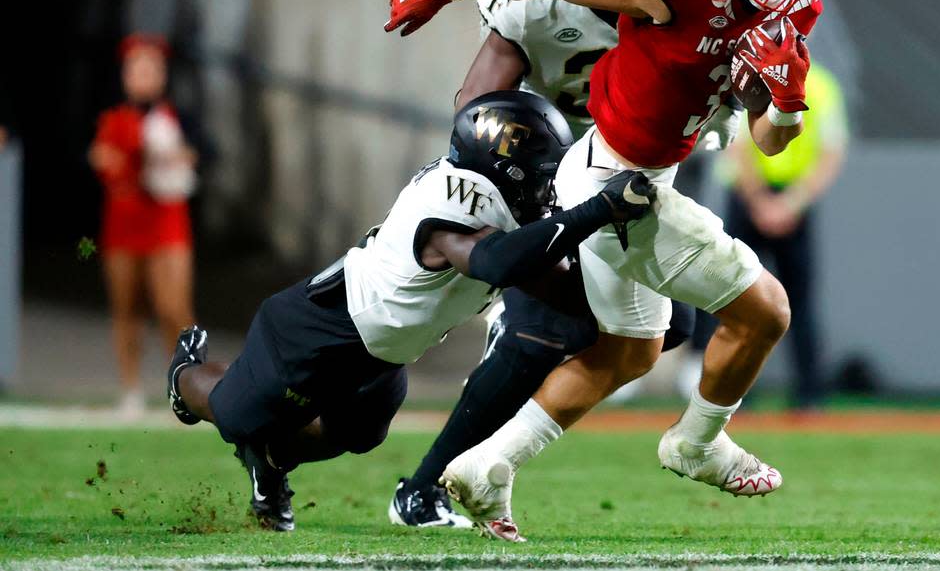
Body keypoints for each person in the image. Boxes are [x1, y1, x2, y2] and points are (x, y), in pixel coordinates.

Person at [386, 0, 831, 540]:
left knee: (631, 349)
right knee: (764, 309)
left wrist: (789, 100)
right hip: (605, 180)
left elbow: (771, 140)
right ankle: (698, 441)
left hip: (634, 173)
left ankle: (487, 468)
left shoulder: (791, 5)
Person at [166, 91, 656, 532]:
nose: (547, 187)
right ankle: (185, 378)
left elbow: (555, 286)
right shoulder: (457, 197)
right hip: (318, 329)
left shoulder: (499, 205)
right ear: (507, 167)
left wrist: (644, 298)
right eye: (541, 173)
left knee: (357, 434)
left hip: (382, 352)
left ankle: (270, 462)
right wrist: (595, 212)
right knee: (237, 416)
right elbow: (496, 261)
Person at [680, 62, 849, 410]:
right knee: (744, 299)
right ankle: (762, 395)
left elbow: (830, 153)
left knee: (758, 299)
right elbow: (741, 148)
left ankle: (790, 396)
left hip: (773, 201)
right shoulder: (806, 83)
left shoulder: (766, 79)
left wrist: (780, 204)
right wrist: (779, 204)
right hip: (766, 201)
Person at [89, 33, 198, 419]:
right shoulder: (112, 116)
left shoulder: (177, 116)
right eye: (137, 68)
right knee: (127, 309)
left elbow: (201, 152)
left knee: (173, 307)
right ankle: (131, 389)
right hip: (124, 224)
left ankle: (185, 385)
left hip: (167, 223)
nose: (144, 76)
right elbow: (99, 157)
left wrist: (180, 157)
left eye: (152, 68)